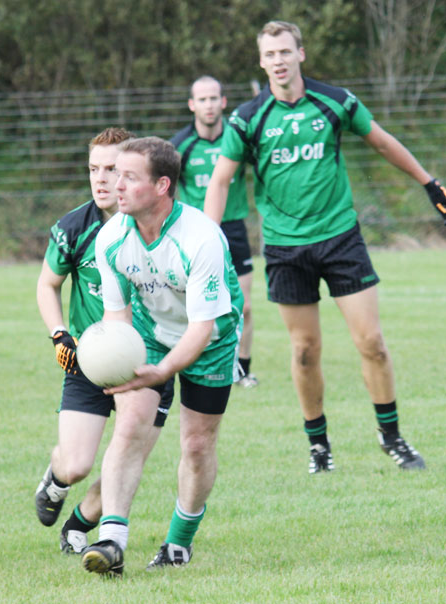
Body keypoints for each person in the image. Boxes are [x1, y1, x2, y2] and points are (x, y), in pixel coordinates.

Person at [205, 20, 446, 474]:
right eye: (269, 54)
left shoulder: (335, 101)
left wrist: (429, 183)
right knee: (304, 350)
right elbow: (220, 180)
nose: (278, 60)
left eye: (285, 51)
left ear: (301, 54)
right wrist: (206, 239)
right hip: (284, 248)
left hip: (340, 238)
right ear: (261, 61)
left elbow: (381, 142)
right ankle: (319, 446)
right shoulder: (247, 118)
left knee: (371, 342)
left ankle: (391, 437)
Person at [81, 136, 243, 577]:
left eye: (129, 177)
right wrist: (122, 365)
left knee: (195, 444)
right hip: (151, 335)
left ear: (162, 186)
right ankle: (111, 542)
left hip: (210, 339)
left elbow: (201, 327)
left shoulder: (201, 238)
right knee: (131, 424)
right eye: (114, 174)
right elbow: (118, 319)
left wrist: (165, 371)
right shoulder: (111, 238)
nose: (115, 185)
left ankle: (179, 543)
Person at [35, 127, 174, 554]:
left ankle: (82, 526)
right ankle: (56, 480)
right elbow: (47, 285)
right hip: (88, 358)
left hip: (147, 362)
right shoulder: (75, 227)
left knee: (127, 453)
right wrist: (60, 334)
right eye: (94, 169)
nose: (100, 179)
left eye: (111, 169)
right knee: (76, 464)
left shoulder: (161, 227)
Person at [171, 75, 257, 387]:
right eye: (202, 99)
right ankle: (188, 362)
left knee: (244, 305)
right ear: (192, 105)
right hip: (194, 232)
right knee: (190, 303)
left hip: (233, 228)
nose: (209, 105)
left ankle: (243, 370)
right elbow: (165, 186)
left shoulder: (237, 140)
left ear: (223, 103)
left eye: (214, 99)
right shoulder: (180, 145)